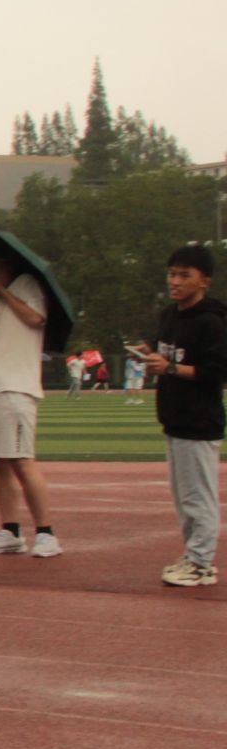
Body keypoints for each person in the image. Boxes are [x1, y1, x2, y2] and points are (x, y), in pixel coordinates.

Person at [0, 254, 59, 557]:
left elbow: (36, 318)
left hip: (15, 386)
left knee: (21, 460)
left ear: (7, 269)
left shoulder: (26, 285)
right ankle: (11, 530)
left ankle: (46, 533)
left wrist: (2, 291)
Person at [143, 244, 226, 586]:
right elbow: (167, 357)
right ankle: (194, 554)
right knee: (183, 496)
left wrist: (170, 368)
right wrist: (151, 357)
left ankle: (201, 562)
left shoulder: (212, 321)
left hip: (199, 420)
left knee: (198, 496)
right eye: (171, 274)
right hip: (174, 417)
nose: (174, 281)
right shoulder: (169, 315)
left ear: (204, 281)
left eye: (184, 275)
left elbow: (216, 371)